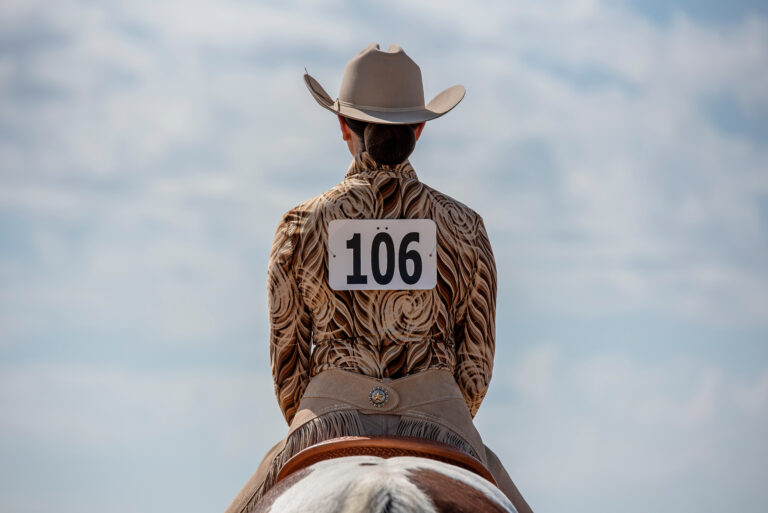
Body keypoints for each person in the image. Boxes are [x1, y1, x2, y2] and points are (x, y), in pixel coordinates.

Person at [224, 43, 532, 513]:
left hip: (325, 416)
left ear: (343, 125)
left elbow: (288, 368)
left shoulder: (299, 224)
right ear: (420, 128)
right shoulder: (465, 226)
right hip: (442, 418)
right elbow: (475, 368)